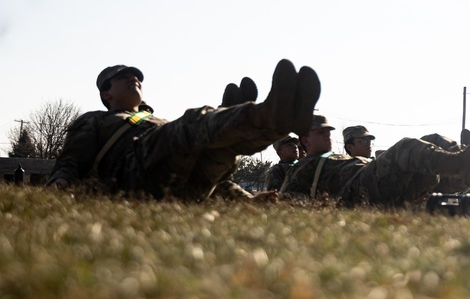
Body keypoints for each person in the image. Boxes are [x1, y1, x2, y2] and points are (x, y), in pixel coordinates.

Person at [47, 59, 320, 201]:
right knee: (193, 122)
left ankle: (267, 118)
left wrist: (246, 200)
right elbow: (71, 161)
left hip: (185, 190)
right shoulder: (95, 120)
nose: (134, 78)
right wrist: (59, 184)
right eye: (123, 77)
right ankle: (262, 115)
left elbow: (218, 183)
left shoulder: (158, 122)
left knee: (220, 149)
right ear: (106, 94)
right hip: (135, 177)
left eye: (138, 77)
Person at [280, 116, 470, 207]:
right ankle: (465, 162)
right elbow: (286, 202)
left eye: (329, 132)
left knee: (432, 142)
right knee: (405, 147)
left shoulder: (341, 157)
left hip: (375, 182)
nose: (328, 135)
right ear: (305, 139)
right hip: (358, 190)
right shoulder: (300, 169)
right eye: (321, 133)